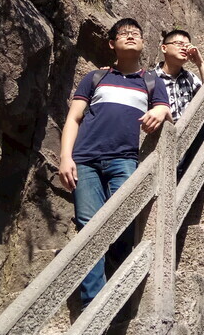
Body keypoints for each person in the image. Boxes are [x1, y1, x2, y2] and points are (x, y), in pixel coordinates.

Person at [59, 18, 172, 308]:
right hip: (84, 161)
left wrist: (160, 111)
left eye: (136, 33)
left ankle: (119, 289)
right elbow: (73, 118)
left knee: (123, 219)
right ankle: (92, 303)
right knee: (88, 225)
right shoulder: (95, 78)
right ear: (112, 44)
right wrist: (65, 158)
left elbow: (165, 109)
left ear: (144, 43)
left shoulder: (151, 81)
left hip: (124, 159)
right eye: (123, 33)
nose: (131, 35)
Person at [155, 29, 204, 178]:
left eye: (187, 45)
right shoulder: (149, 77)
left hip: (188, 132)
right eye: (179, 43)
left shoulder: (190, 77)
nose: (184, 48)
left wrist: (200, 63)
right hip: (162, 134)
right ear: (164, 47)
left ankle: (182, 173)